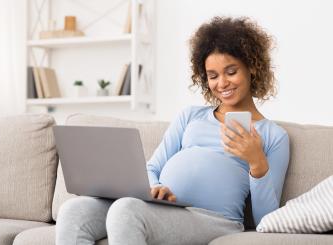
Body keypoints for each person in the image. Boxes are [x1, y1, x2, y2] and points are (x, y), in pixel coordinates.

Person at [56, 16, 290, 245]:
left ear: (252, 68)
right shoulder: (190, 116)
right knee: (73, 211)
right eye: (213, 76)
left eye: (231, 72)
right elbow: (152, 167)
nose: (222, 83)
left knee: (126, 210)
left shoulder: (273, 136)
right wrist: (154, 188)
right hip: (161, 207)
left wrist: (257, 163)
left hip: (214, 219)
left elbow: (266, 220)